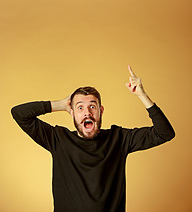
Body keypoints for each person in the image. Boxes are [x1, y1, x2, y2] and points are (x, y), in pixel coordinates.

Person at [11, 65, 175, 212]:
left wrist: (142, 95)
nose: (87, 113)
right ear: (72, 113)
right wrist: (60, 105)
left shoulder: (119, 139)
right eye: (80, 107)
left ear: (101, 111)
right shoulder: (58, 139)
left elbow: (165, 133)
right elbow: (19, 114)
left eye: (92, 106)